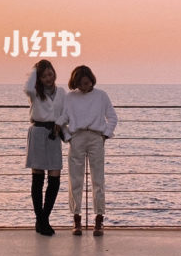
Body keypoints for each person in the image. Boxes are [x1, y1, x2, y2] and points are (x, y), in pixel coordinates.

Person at [57, 65, 117, 236]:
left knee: (98, 180)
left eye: (87, 83)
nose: (85, 87)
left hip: (96, 137)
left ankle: (99, 220)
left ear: (92, 80)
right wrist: (68, 137)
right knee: (75, 180)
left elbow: (112, 117)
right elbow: (62, 119)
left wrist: (104, 135)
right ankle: (76, 219)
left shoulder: (101, 96)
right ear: (75, 83)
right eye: (81, 84)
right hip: (77, 138)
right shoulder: (70, 97)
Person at [23, 59, 65, 235]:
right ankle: (41, 221)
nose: (49, 78)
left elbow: (65, 112)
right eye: (44, 75)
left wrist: (61, 122)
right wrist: (36, 67)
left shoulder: (62, 91)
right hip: (38, 132)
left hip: (54, 133)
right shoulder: (34, 92)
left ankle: (43, 219)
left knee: (55, 177)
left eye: (50, 73)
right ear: (38, 78)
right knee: (37, 178)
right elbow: (27, 86)